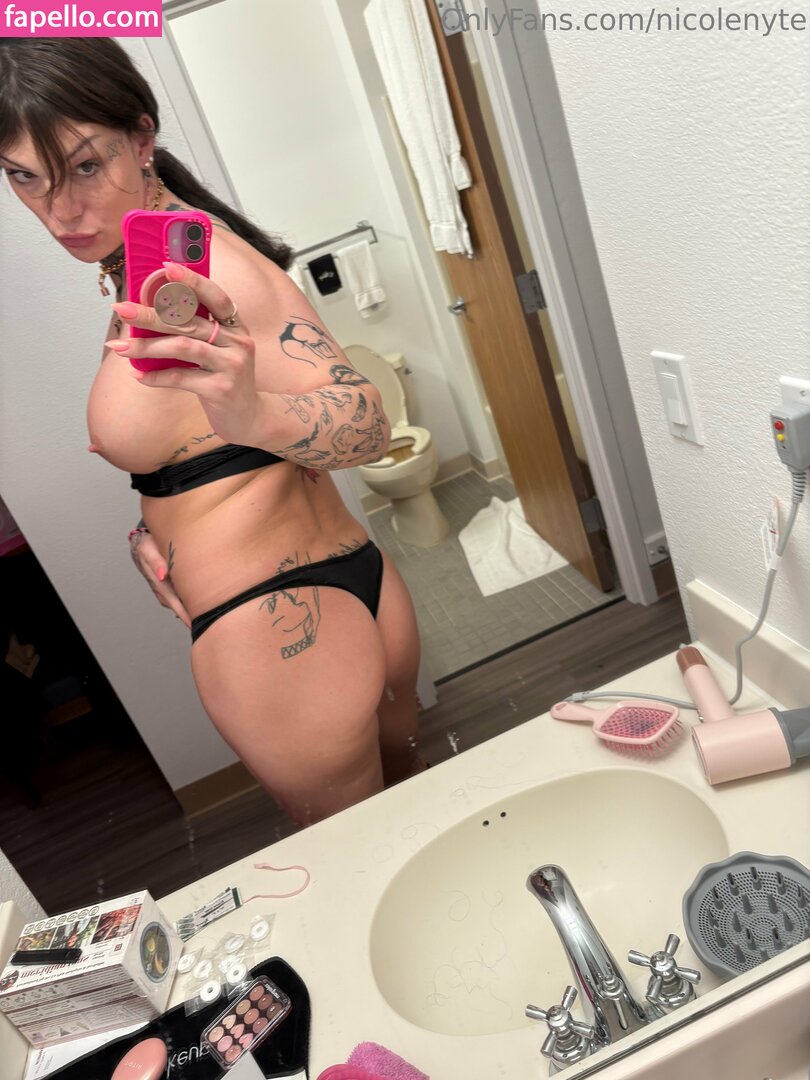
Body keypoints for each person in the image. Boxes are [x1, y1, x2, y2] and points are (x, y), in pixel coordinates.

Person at [0, 37, 426, 826]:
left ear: (141, 138)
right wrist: (155, 527)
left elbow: (369, 425)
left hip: (282, 637)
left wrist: (256, 414)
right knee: (414, 835)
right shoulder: (153, 259)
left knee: (368, 868)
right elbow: (195, 445)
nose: (58, 212)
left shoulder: (212, 273)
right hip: (338, 601)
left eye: (84, 167)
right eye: (24, 177)